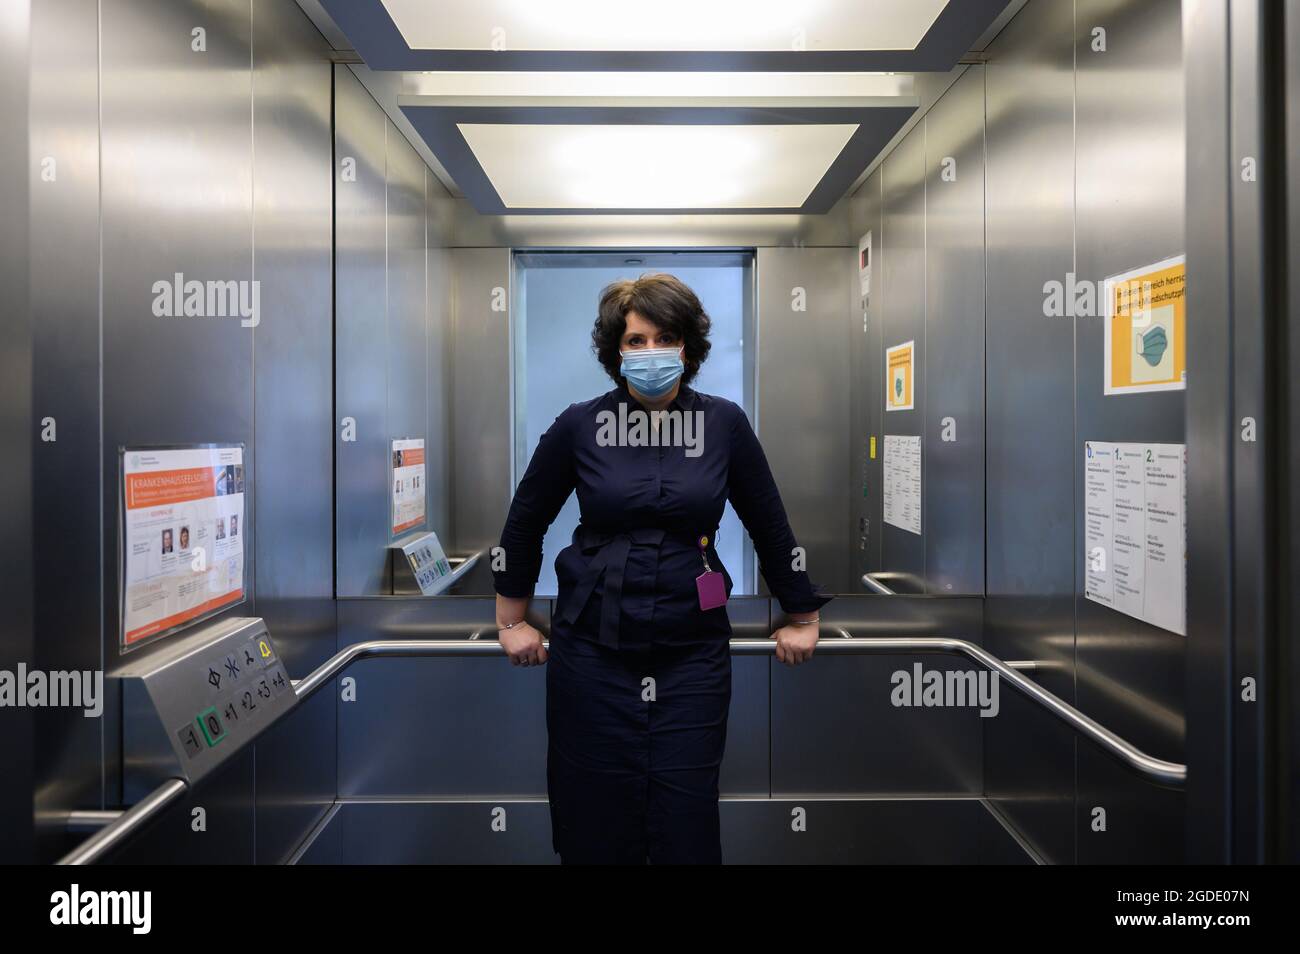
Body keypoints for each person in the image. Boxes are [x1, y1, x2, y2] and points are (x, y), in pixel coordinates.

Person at [492, 272, 831, 865]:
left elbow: (770, 525)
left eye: (664, 338)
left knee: (685, 820)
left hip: (691, 655)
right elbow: (524, 523)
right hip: (592, 653)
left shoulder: (724, 424)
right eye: (635, 341)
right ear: (615, 351)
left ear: (689, 347)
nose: (651, 353)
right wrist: (510, 621)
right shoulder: (579, 425)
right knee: (593, 819)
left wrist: (801, 613)